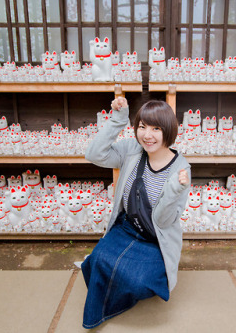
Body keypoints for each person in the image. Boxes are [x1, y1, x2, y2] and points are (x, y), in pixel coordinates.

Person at [81, 97, 191, 329]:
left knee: (140, 281)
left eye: (156, 128)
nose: (147, 135)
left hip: (155, 239)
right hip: (128, 227)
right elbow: (94, 154)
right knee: (98, 259)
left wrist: (174, 190)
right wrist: (117, 120)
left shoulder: (181, 169)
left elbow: (162, 221)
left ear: (168, 131)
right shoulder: (132, 150)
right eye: (142, 126)